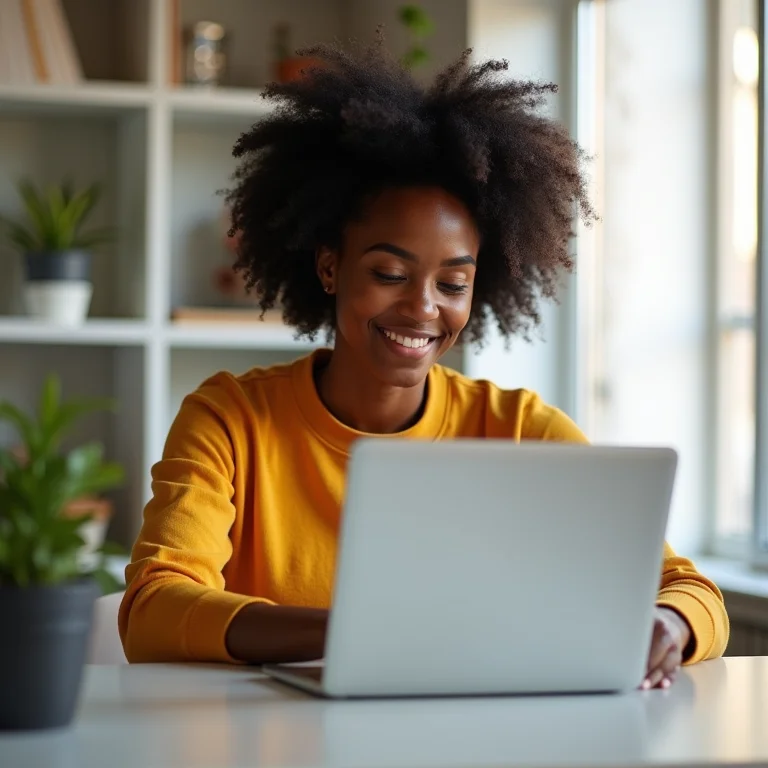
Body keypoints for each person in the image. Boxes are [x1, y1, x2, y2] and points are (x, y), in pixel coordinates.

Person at [119, 40, 729, 688]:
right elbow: (153, 611)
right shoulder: (230, 420)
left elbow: (695, 594)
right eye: (389, 273)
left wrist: (667, 625)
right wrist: (361, 634)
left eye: (453, 283)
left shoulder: (518, 432)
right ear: (329, 267)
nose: (422, 308)